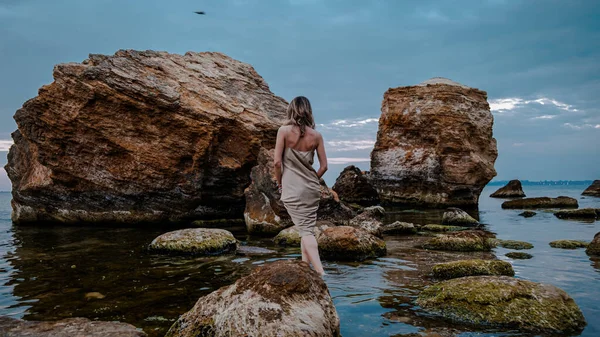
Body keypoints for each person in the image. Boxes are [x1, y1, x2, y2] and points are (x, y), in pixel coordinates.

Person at [274, 96, 328, 276]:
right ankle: (306, 269)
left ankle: (321, 273)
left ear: (291, 110)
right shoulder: (317, 136)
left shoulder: (283, 131)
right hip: (312, 189)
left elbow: (276, 163)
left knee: (306, 231)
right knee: (306, 228)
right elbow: (324, 167)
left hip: (292, 188)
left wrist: (280, 182)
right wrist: (312, 180)